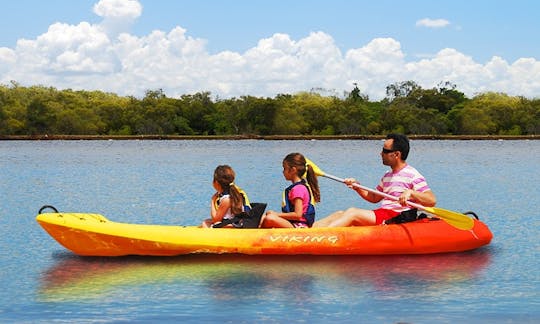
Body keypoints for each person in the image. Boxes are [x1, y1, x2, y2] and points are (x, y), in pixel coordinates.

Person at [313, 133, 436, 227]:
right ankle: (305, 231)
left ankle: (319, 236)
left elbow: (431, 200)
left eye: (385, 151)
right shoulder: (387, 175)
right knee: (339, 213)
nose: (381, 153)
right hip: (384, 212)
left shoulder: (412, 174)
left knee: (352, 212)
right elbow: (374, 198)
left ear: (397, 154)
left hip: (397, 215)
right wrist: (357, 187)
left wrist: (411, 193)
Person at [259, 153, 321, 228]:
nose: (283, 172)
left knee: (270, 218)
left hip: (299, 226)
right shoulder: (298, 187)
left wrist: (276, 214)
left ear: (293, 170)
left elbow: (298, 215)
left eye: (285, 168)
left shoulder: (298, 189)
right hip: (293, 224)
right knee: (262, 217)